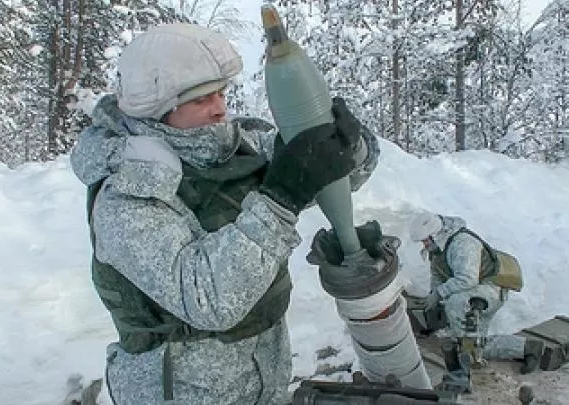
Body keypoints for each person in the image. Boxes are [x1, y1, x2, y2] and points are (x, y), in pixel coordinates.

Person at [70, 23, 379, 405]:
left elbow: (327, 177)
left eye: (221, 92)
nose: (220, 109)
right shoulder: (125, 195)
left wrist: (348, 148)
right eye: (201, 100)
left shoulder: (233, 144)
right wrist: (280, 197)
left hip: (263, 380)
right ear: (159, 109)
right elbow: (209, 300)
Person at [408, 212, 544, 374]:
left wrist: (440, 293)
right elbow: (438, 275)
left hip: (490, 288)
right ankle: (527, 348)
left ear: (434, 235)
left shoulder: (462, 244)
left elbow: (467, 278)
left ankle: (472, 345)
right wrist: (433, 299)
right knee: (476, 345)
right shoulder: (439, 248)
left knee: (464, 327)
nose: (424, 245)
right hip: (473, 290)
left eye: (425, 240)